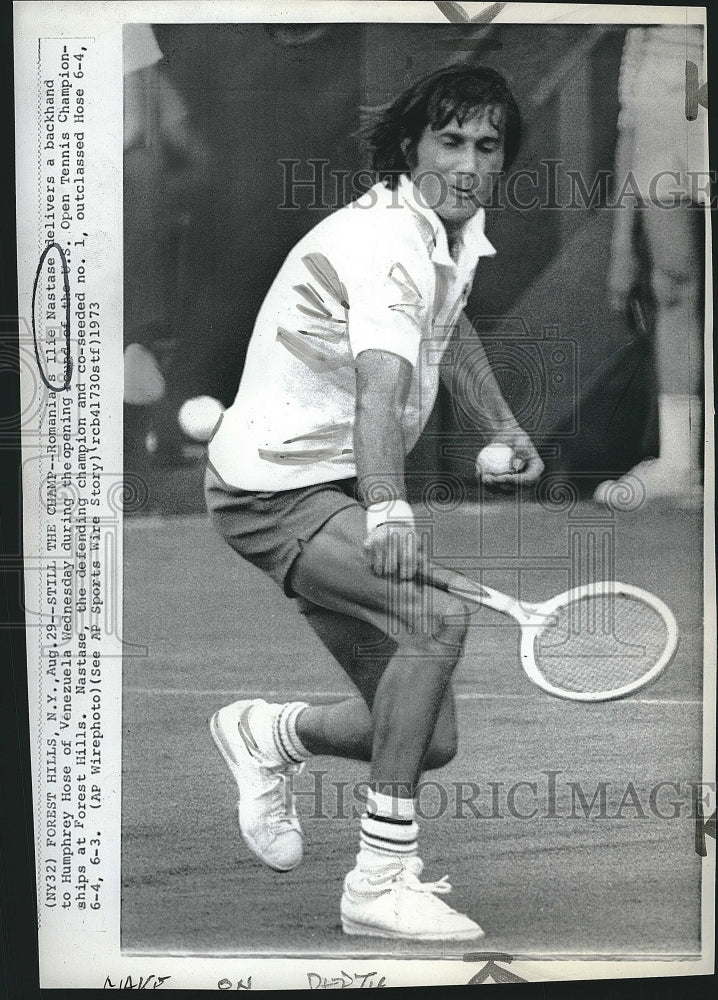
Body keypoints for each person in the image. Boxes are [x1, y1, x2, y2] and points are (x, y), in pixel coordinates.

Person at [205, 65, 543, 942]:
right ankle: (378, 882)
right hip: (273, 491)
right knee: (436, 623)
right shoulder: (388, 241)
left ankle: (267, 733)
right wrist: (391, 514)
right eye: (450, 141)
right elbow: (376, 390)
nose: (468, 165)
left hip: (329, 485)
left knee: (423, 735)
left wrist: (498, 420)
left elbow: (450, 322)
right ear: (409, 147)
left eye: (487, 146)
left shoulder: (449, 232)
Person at [594, 26, 706, 509]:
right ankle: (680, 464)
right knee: (673, 286)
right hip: (664, 81)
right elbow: (630, 119)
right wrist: (622, 246)